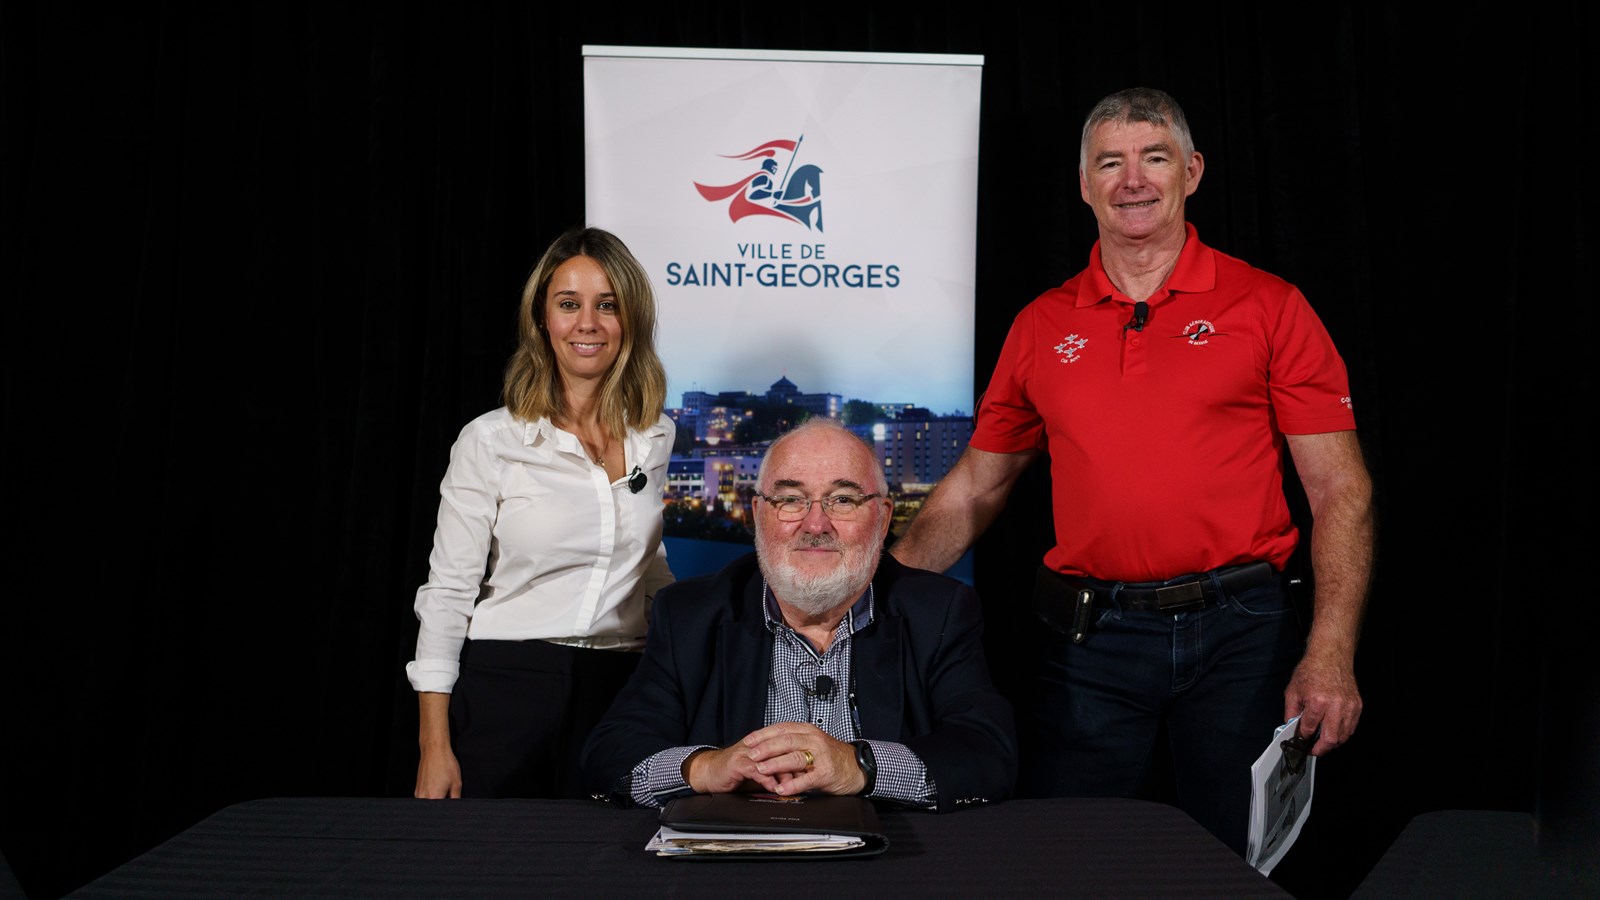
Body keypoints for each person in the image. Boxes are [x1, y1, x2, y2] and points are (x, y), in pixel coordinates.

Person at [890, 87, 1374, 854]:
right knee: (1068, 856)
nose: (1134, 180)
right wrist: (877, 597)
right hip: (1090, 639)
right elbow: (979, 485)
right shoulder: (1042, 324)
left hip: (1241, 634)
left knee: (1236, 860)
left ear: (1193, 171)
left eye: (1154, 158)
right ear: (1084, 184)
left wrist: (1332, 653)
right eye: (1110, 163)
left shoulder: (1270, 306)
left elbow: (1341, 490)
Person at [581, 418, 1015, 812]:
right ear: (758, 514)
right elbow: (610, 754)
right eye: (790, 500)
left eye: (842, 500)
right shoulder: (690, 616)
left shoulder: (939, 613)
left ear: (883, 519)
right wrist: (705, 768)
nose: (815, 524)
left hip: (889, 856)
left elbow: (987, 752)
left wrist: (858, 765)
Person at [407, 226, 675, 800]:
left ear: (631, 319)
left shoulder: (655, 435)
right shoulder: (490, 441)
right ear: (542, 319)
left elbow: (648, 563)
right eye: (569, 304)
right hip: (507, 686)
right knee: (494, 856)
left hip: (619, 691)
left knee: (612, 856)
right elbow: (448, 593)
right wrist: (434, 746)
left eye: (608, 305)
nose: (588, 323)